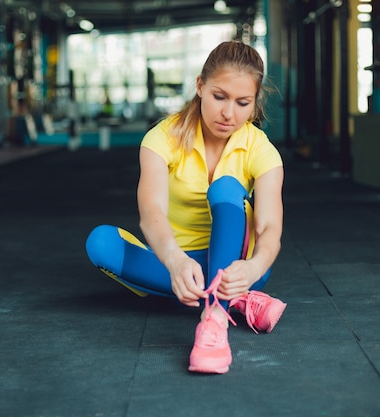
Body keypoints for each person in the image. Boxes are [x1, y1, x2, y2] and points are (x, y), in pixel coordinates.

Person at [85, 41, 286, 374]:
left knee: (225, 187)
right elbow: (152, 213)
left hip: (237, 268)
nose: (228, 114)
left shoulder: (261, 150)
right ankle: (236, 300)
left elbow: (269, 228)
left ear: (255, 102)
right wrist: (176, 262)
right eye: (219, 96)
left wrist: (253, 268)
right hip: (176, 264)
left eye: (242, 103)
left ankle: (215, 319)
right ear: (200, 86)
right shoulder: (162, 138)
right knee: (100, 243)